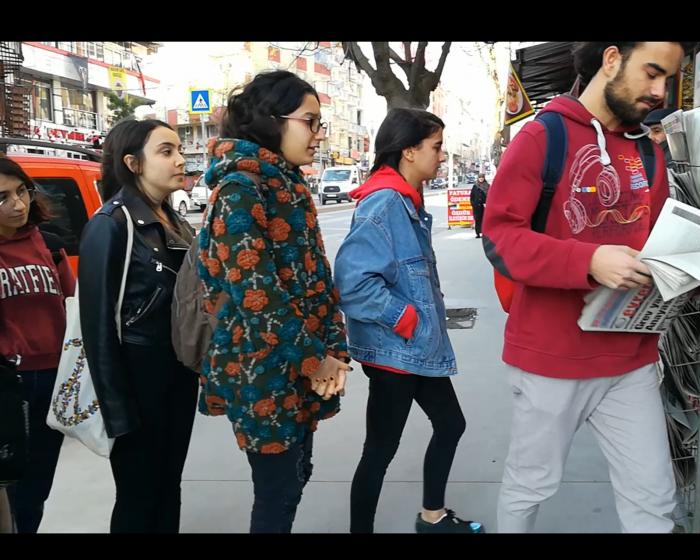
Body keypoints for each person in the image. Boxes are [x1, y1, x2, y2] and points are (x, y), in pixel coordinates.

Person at [483, 41, 700, 533]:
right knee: (529, 484)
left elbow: (654, 256)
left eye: (667, 78)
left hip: (632, 358)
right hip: (550, 362)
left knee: (653, 496)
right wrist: (588, 260)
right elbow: (501, 238)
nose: (660, 91)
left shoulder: (648, 151)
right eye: (652, 73)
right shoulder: (544, 136)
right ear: (610, 60)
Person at [196, 70, 350, 534]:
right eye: (311, 121)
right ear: (271, 120)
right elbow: (257, 296)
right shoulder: (241, 189)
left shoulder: (288, 184)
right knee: (277, 493)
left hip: (301, 363)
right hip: (261, 371)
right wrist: (316, 360)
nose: (318, 134)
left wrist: (334, 349)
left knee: (297, 478)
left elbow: (317, 278)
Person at [334, 108, 484, 534]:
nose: (442, 156)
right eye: (436, 147)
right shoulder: (384, 203)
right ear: (408, 150)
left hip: (414, 347)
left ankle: (433, 518)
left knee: (450, 424)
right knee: (380, 450)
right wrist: (406, 317)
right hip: (395, 352)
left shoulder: (404, 200)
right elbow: (353, 282)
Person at [78, 119, 197, 533]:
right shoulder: (110, 224)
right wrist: (116, 411)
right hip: (135, 386)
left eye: (179, 149)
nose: (180, 159)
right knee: (137, 496)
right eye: (166, 151)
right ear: (133, 163)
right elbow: (96, 328)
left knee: (170, 487)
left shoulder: (176, 223)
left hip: (177, 378)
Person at [0, 157, 75, 533]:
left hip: (52, 379)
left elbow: (72, 306)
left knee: (36, 487)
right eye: (2, 197)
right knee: (9, 485)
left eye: (22, 191)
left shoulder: (49, 243)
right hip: (7, 386)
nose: (18, 204)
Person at [470, 173, 490, 238]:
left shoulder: (487, 186)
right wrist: (473, 204)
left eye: (482, 178)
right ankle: (478, 233)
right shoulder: (475, 186)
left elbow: (490, 195)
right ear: (478, 178)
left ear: (484, 178)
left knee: (484, 220)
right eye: (480, 178)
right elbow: (472, 196)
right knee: (477, 219)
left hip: (485, 206)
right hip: (477, 207)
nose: (481, 179)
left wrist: (487, 203)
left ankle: (484, 233)